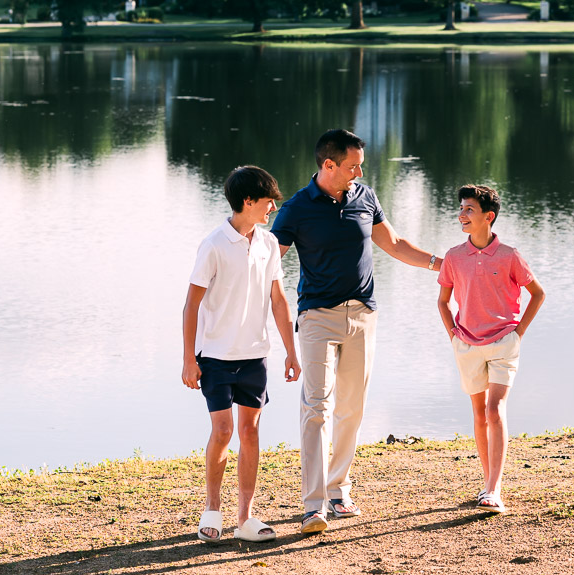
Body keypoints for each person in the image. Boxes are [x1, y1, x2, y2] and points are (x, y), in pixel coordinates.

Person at [272, 129, 444, 534]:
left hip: (363, 315)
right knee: (317, 408)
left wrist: (443, 264)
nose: (359, 171)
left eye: (360, 165)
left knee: (352, 407)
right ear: (327, 165)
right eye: (352, 165)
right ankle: (313, 505)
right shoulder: (296, 208)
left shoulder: (365, 196)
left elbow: (396, 244)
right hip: (316, 317)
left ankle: (338, 488)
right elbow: (268, 264)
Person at [182, 165, 301, 543]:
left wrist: (290, 352)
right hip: (215, 356)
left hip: (255, 357)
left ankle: (246, 519)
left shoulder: (267, 244)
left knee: (250, 431)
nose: (273, 209)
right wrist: (188, 358)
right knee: (223, 430)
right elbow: (191, 306)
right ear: (247, 201)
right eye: (268, 202)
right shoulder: (214, 244)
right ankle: (211, 510)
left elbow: (279, 301)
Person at [436, 184, 546, 514]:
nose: (462, 215)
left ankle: (494, 488)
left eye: (469, 209)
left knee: (494, 410)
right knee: (478, 413)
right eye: (461, 209)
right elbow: (442, 302)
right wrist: (454, 335)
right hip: (467, 344)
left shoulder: (510, 256)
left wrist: (518, 332)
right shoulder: (454, 257)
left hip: (503, 342)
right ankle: (488, 482)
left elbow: (537, 294)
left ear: (489, 217)